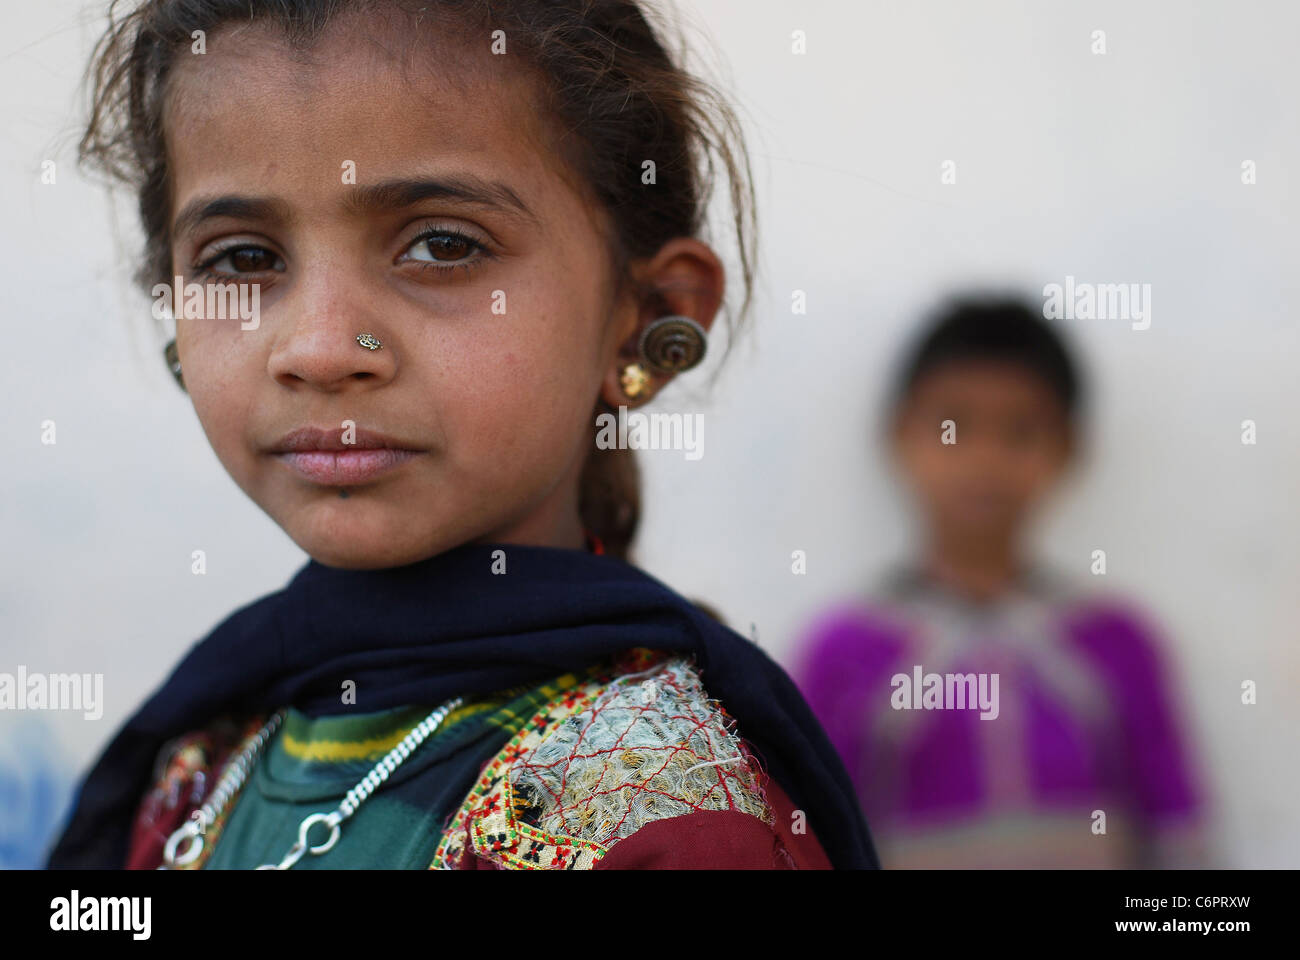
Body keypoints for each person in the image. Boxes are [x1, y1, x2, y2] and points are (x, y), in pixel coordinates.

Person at [46, 0, 876, 871]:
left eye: (442, 245)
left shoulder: (663, 815)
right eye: (243, 260)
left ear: (645, 319)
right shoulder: (201, 754)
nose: (322, 349)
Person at [794, 296, 1210, 868]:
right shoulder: (846, 650)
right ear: (898, 436)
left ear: (1068, 449)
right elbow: (809, 839)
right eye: (952, 427)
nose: (985, 459)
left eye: (1020, 432)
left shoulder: (1117, 643)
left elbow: (1181, 836)